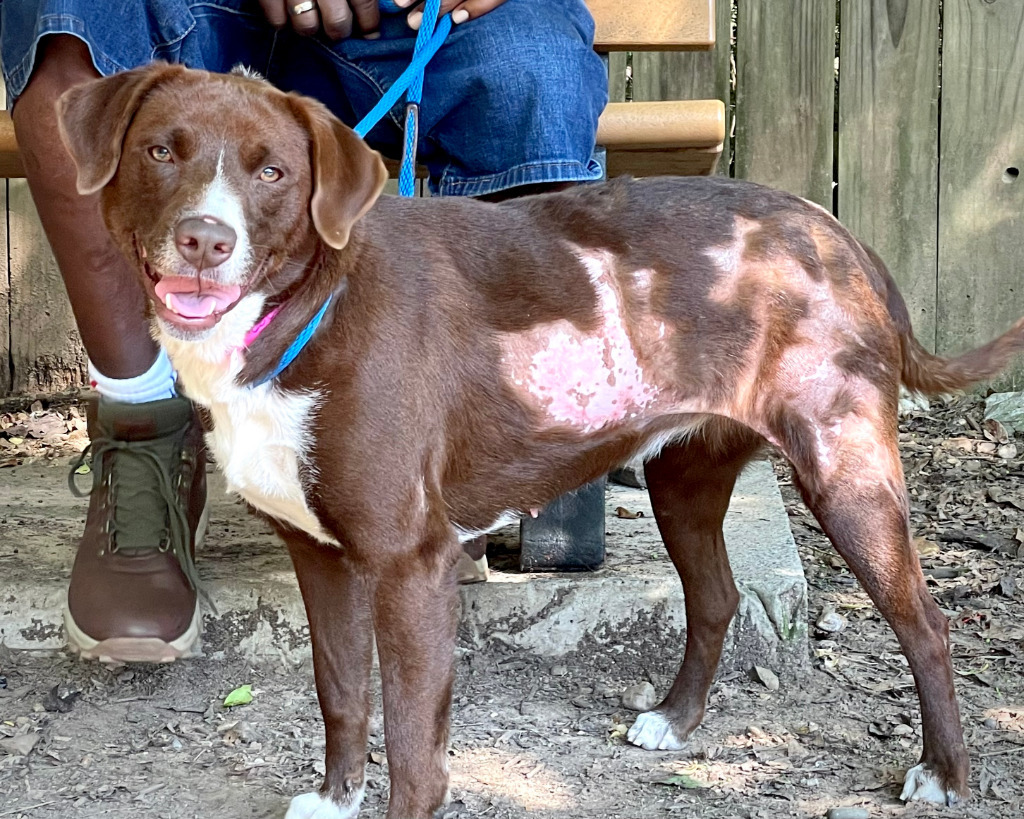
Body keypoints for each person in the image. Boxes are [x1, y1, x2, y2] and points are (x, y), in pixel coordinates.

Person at [0, 0, 607, 663]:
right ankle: (143, 428)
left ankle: (471, 438)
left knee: (533, 63)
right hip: (199, 14)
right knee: (67, 19)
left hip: (411, 21)